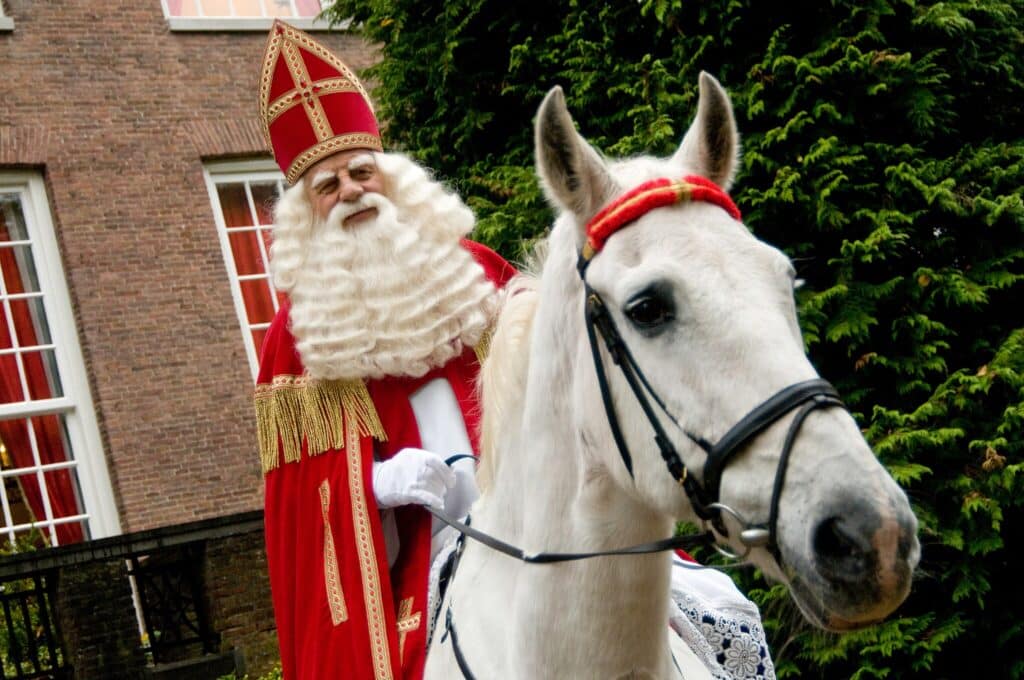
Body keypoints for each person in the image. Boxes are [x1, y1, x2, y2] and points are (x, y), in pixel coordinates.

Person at [254, 20, 516, 680]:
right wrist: (377, 483)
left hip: (530, 506)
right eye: (327, 184)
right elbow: (297, 503)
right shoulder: (298, 335)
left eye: (360, 172)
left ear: (388, 177)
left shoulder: (478, 271)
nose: (349, 191)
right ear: (308, 209)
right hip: (424, 557)